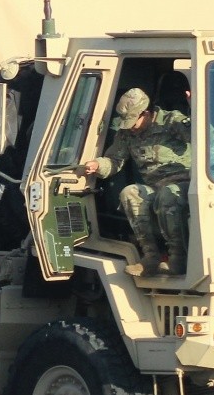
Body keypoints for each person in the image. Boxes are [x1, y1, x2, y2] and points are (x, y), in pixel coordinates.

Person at [81, 87, 192, 276]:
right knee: (130, 192)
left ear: (146, 113)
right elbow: (115, 161)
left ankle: (178, 258)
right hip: (154, 186)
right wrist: (97, 165)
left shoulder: (171, 121)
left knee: (167, 195)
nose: (131, 126)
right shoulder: (127, 134)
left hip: (182, 184)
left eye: (134, 121)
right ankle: (150, 257)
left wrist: (195, 111)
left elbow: (206, 137)